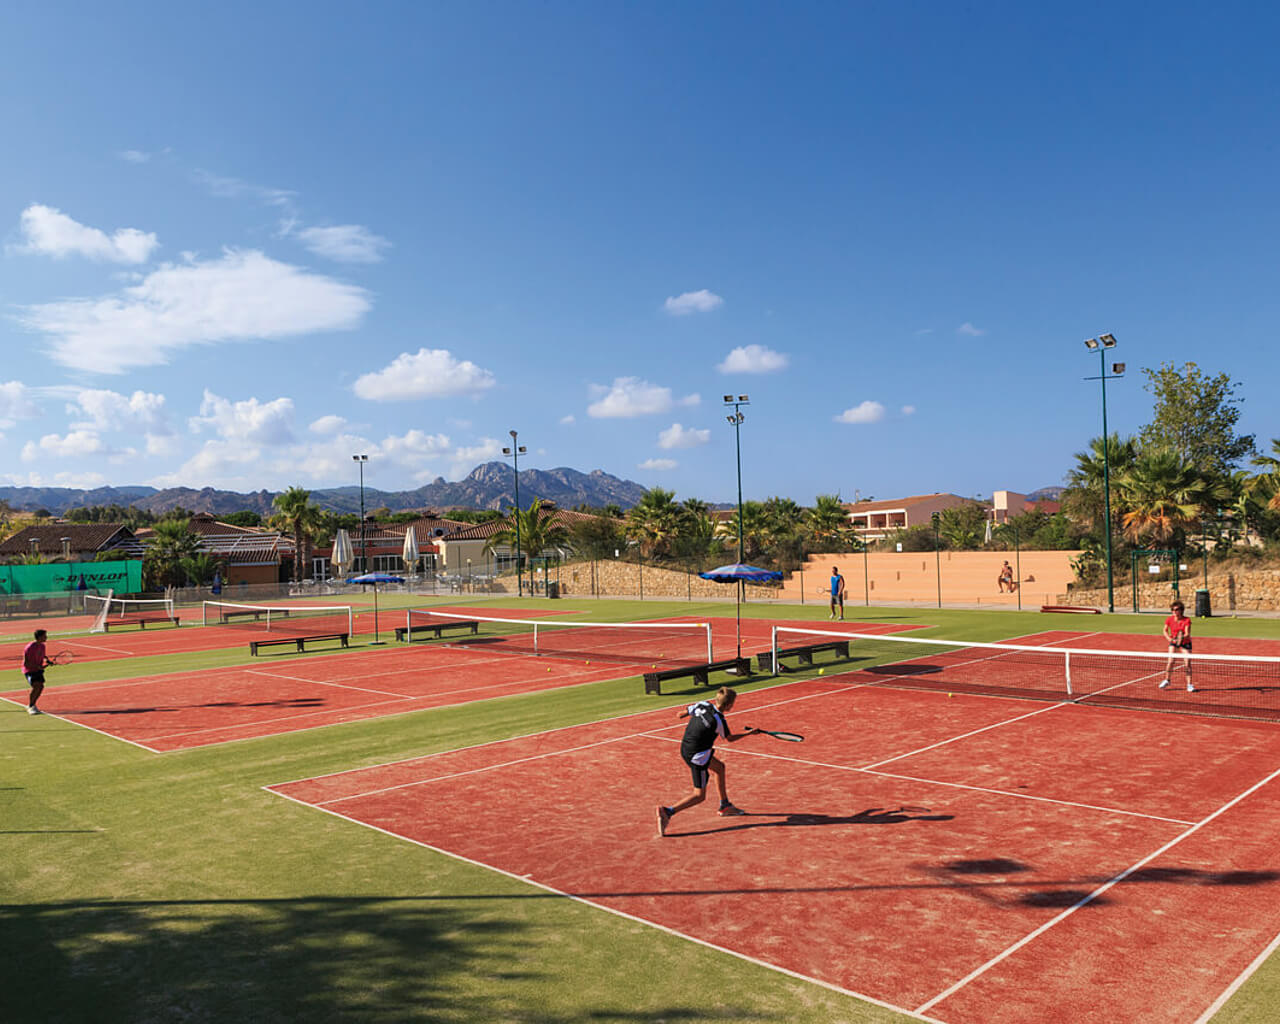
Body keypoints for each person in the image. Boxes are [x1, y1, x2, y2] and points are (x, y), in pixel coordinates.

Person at [656, 687, 754, 836]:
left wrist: (687, 717)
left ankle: (725, 806)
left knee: (719, 768)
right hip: (698, 756)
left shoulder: (704, 704)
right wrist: (750, 733)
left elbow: (682, 713)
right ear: (728, 705)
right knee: (699, 795)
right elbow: (729, 739)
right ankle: (668, 811)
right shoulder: (719, 720)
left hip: (686, 747)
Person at [1159, 599, 1196, 692]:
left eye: (1176, 610)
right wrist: (1170, 639)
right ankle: (1167, 680)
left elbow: (1187, 633)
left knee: (1187, 663)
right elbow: (1165, 630)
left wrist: (1181, 638)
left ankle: (1189, 685)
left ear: (1181, 610)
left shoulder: (1187, 620)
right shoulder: (1169, 619)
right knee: (1170, 661)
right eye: (1173, 610)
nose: (1174, 612)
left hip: (1185, 643)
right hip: (1174, 642)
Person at [22, 628, 50, 715]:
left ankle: (32, 704)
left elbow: (42, 654)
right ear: (39, 637)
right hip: (29, 670)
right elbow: (26, 663)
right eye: (44, 636)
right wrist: (38, 667)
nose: (46, 637)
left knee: (40, 687)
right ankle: (31, 706)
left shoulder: (42, 646)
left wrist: (47, 660)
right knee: (36, 686)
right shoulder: (29, 647)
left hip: (38, 670)